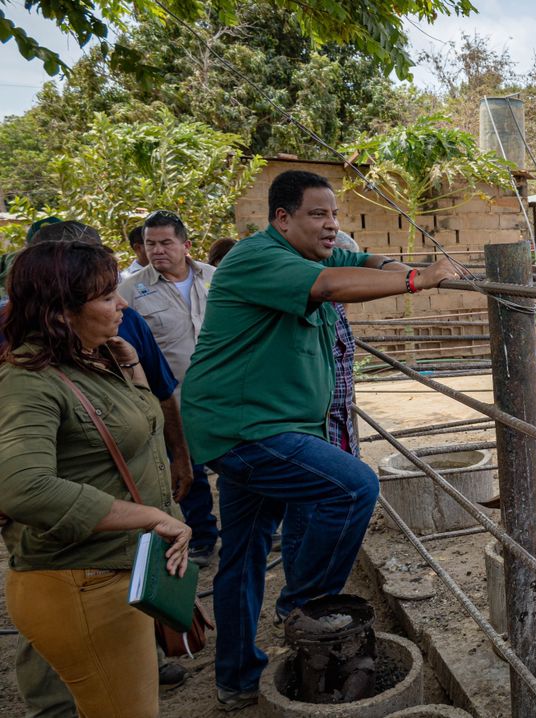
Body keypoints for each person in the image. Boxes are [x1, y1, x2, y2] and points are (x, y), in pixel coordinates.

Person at [180, 170, 462, 710]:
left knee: (242, 553)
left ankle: (236, 678)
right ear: (281, 218)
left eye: (334, 214)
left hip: (262, 426)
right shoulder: (257, 257)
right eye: (318, 214)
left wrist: (387, 263)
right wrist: (418, 280)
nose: (331, 224)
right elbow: (332, 287)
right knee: (353, 486)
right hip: (246, 430)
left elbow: (355, 264)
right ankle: (307, 609)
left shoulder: (310, 255)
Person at [3, 220, 193, 717]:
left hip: (113, 571)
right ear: (61, 312)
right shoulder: (30, 382)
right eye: (108, 297)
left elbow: (133, 429)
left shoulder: (91, 359)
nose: (122, 305)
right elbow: (24, 486)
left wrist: (130, 370)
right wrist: (150, 517)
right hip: (83, 581)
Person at [120, 210, 220, 566]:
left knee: (237, 466)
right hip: (172, 401)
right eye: (150, 244)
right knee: (185, 468)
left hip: (224, 395)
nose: (157, 250)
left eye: (165, 243)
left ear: (185, 245)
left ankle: (251, 531)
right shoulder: (130, 290)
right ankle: (202, 537)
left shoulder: (216, 278)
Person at [276, 230, 361, 621]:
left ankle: (309, 600)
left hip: (338, 423)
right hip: (313, 426)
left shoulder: (335, 311)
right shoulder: (305, 310)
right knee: (304, 514)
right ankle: (300, 604)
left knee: (317, 507)